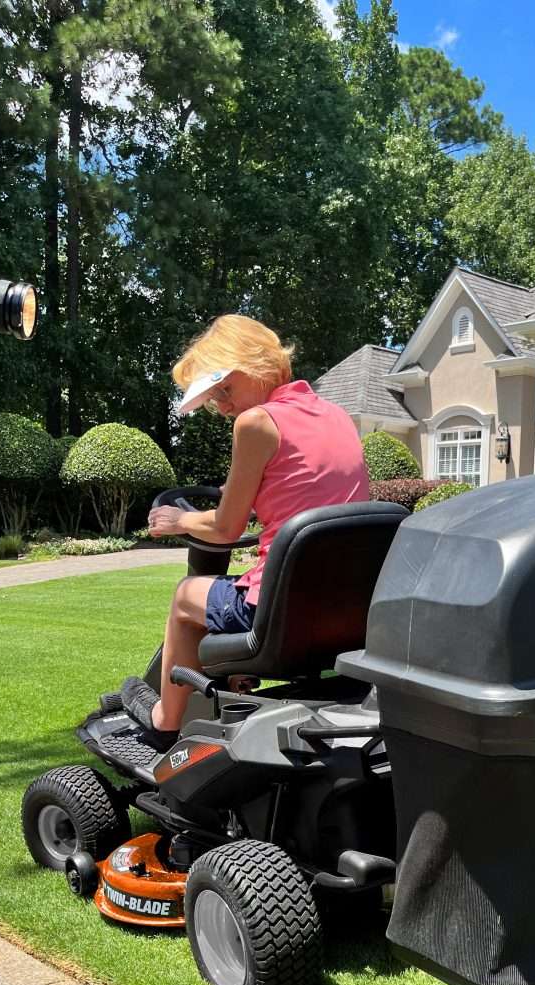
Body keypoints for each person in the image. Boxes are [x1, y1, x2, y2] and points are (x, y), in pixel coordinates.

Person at [121, 315, 369, 748]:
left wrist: (177, 521)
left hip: (279, 614)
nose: (222, 406)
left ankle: (165, 720)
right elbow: (305, 494)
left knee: (186, 596)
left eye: (224, 390)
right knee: (225, 591)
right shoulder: (335, 415)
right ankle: (235, 689)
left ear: (256, 366)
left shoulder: (257, 422)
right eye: (215, 397)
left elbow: (223, 528)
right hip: (345, 613)